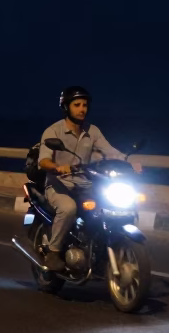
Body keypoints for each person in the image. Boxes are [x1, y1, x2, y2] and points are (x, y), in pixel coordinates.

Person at [38, 86, 139, 272]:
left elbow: (109, 151)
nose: (82, 109)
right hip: (59, 184)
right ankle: (53, 251)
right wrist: (57, 167)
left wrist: (128, 162)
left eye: (84, 105)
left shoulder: (92, 131)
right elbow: (43, 160)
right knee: (68, 208)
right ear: (66, 107)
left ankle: (98, 246)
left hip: (85, 183)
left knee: (106, 207)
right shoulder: (53, 131)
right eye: (77, 105)